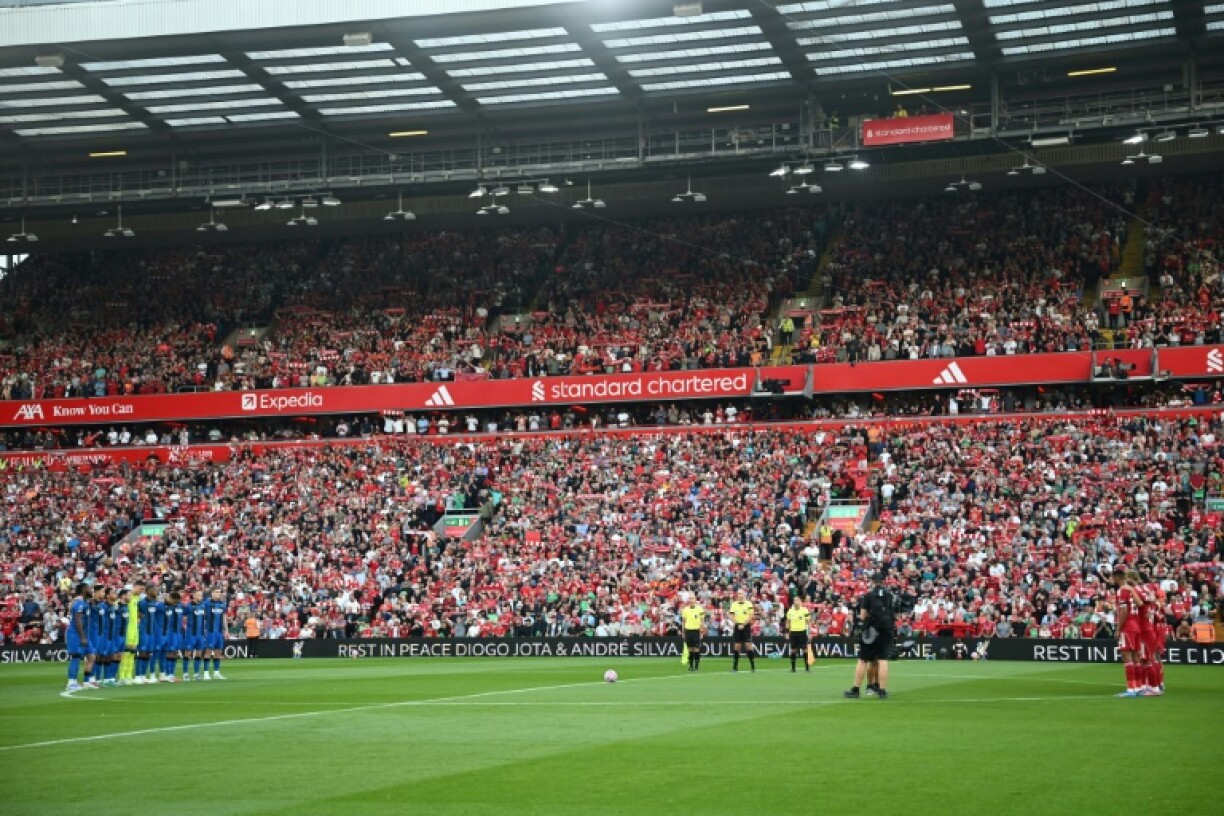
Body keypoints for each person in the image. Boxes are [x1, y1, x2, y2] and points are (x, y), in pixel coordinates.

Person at [845, 572, 895, 700]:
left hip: (871, 631)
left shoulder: (868, 596)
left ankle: (856, 689)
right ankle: (882, 691)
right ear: (883, 582)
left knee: (862, 660)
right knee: (883, 660)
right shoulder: (889, 596)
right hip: (886, 630)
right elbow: (893, 615)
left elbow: (862, 616)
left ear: (872, 582)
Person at [1112, 568, 1145, 697]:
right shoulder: (1132, 589)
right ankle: (1139, 687)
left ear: (1117, 578)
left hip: (1127, 626)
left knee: (1127, 657)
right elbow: (1140, 603)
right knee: (1136, 657)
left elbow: (1124, 611)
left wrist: (1118, 628)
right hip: (1136, 625)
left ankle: (1131, 689)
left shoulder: (1122, 591)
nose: (1112, 580)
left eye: (1113, 577)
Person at [64, 583, 92, 691]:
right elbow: (78, 620)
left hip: (78, 633)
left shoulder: (84, 603)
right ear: (84, 589)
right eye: (89, 588)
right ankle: (71, 682)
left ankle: (74, 681)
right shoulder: (80, 603)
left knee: (79, 657)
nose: (91, 590)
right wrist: (82, 637)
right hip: (75, 633)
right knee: (75, 657)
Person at [729, 589, 756, 673]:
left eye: (741, 593)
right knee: (737, 646)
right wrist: (737, 624)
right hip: (737, 626)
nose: (739, 595)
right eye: (738, 593)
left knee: (748, 646)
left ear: (744, 594)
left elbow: (751, 616)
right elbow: (731, 616)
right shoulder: (734, 604)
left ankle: (752, 666)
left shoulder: (748, 603)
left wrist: (743, 624)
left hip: (746, 626)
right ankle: (735, 667)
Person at [203, 587, 228, 680]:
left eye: (219, 592)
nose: (218, 593)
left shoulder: (222, 604)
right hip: (210, 631)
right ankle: (206, 673)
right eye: (216, 592)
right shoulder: (207, 603)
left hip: (219, 631)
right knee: (208, 651)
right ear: (212, 593)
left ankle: (216, 672)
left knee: (218, 652)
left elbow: (224, 617)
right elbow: (203, 615)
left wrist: (226, 630)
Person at [784, 599, 812, 673]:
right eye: (795, 600)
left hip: (802, 632)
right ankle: (793, 668)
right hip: (793, 632)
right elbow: (788, 622)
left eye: (798, 600)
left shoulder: (805, 610)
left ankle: (807, 667)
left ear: (800, 602)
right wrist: (786, 632)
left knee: (805, 649)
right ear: (793, 602)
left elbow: (808, 621)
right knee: (794, 650)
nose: (796, 602)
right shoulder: (790, 611)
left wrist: (809, 632)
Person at [186, 588, 207, 680]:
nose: (201, 597)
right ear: (194, 596)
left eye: (201, 595)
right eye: (199, 595)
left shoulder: (203, 605)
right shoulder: (189, 606)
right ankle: (185, 674)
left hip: (200, 634)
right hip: (191, 633)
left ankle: (196, 674)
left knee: (199, 654)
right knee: (188, 653)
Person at [163, 591, 184, 682]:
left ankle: (171, 674)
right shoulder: (166, 606)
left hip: (178, 632)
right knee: (169, 652)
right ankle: (167, 674)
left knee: (175, 653)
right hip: (170, 632)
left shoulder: (180, 606)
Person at [681, 596, 706, 673]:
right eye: (690, 599)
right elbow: (683, 622)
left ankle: (696, 666)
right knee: (690, 649)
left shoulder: (700, 609)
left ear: (695, 600)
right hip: (688, 630)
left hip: (696, 630)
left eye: (692, 599)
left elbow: (702, 621)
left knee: (696, 649)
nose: (691, 600)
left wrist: (701, 631)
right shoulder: (685, 610)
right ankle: (691, 666)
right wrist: (683, 632)